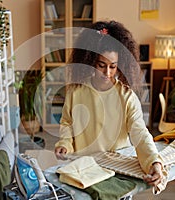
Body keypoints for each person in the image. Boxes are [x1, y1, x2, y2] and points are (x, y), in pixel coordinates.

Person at [54, 20, 163, 187]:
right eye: (101, 65)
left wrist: (154, 161)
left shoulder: (127, 96)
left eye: (113, 66)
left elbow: (140, 133)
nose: (107, 73)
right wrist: (65, 143)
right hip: (83, 166)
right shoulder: (76, 92)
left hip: (117, 169)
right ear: (90, 61)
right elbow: (67, 122)